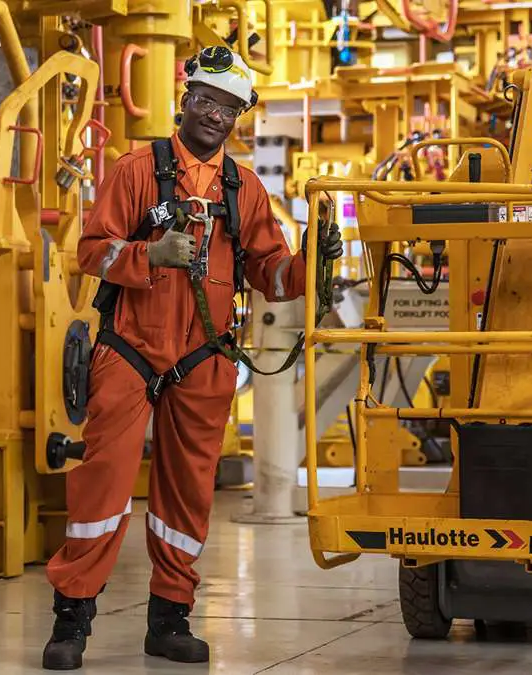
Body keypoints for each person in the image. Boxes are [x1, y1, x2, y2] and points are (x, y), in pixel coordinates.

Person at [41, 45, 344, 671]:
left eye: (229, 107)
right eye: (207, 100)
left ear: (238, 116)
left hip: (204, 355)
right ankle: (71, 619)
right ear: (187, 100)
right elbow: (90, 251)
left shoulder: (245, 190)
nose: (215, 114)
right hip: (130, 346)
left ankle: (170, 619)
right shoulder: (135, 171)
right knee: (103, 481)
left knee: (189, 493)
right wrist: (147, 256)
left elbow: (271, 274)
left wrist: (312, 261)